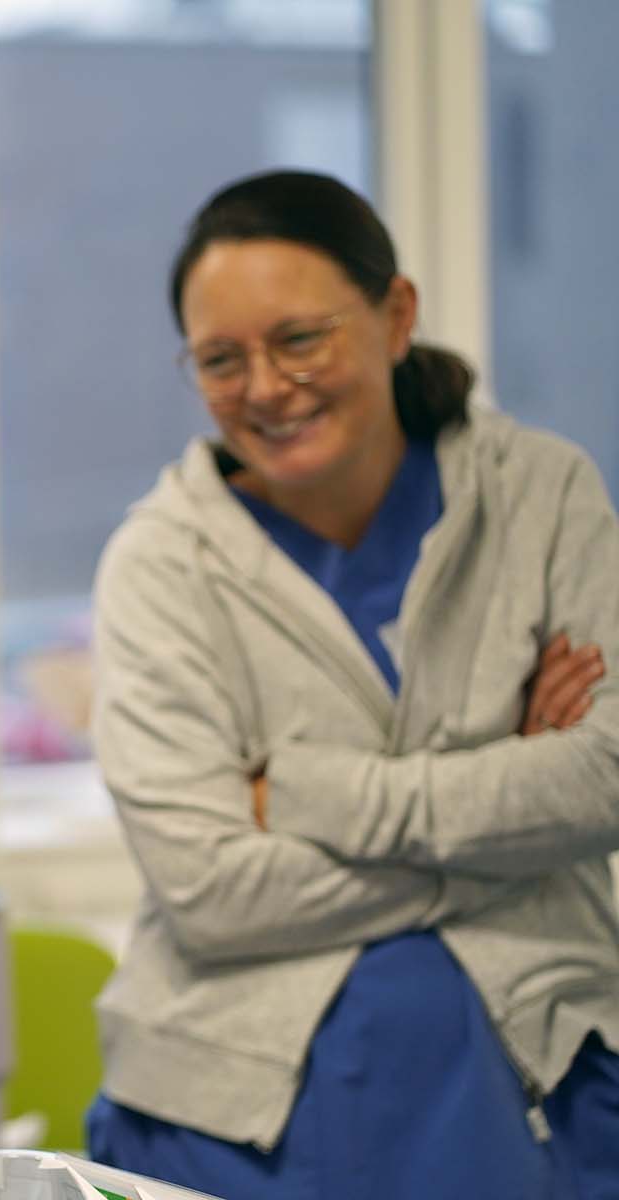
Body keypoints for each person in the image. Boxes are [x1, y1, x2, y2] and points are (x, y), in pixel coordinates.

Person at [86, 169, 619, 1198]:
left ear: (396, 315)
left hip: (547, 1070)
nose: (268, 388)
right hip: (235, 1113)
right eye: (221, 360)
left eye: (299, 339)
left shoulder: (539, 495)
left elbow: (604, 780)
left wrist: (299, 791)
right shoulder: (161, 565)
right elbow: (212, 895)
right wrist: (510, 805)